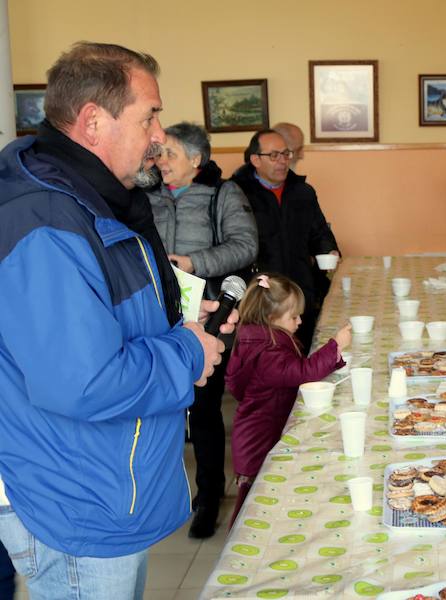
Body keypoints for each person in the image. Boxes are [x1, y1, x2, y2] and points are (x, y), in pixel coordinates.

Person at [0, 42, 231, 598]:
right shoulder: (48, 217)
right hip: (73, 498)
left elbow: (100, 315)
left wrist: (174, 317)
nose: (159, 134)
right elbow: (83, 381)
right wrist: (188, 353)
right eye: (148, 115)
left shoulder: (91, 196)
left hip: (100, 483)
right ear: (94, 122)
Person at [146, 121, 258, 538]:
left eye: (169, 154)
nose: (160, 161)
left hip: (207, 315)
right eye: (158, 153)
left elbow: (245, 245)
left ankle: (209, 496)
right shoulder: (145, 193)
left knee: (204, 407)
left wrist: (193, 263)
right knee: (161, 406)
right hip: (157, 315)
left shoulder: (224, 194)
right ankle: (162, 495)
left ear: (196, 160)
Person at [225, 274, 351, 528]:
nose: (300, 321)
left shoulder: (260, 341)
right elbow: (302, 373)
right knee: (254, 499)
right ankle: (243, 536)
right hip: (259, 439)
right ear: (272, 319)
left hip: (260, 430)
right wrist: (335, 346)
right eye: (294, 317)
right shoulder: (268, 351)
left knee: (260, 492)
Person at [232, 129, 340, 350]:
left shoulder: (303, 192)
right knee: (268, 355)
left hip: (300, 289)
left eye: (286, 154)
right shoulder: (236, 193)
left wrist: (330, 250)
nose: (282, 161)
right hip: (262, 292)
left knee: (303, 350)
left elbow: (319, 232)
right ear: (255, 160)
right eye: (273, 155)